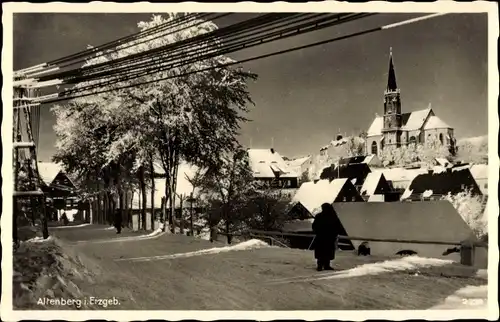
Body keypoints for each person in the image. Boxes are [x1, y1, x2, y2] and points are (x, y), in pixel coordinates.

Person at [312, 203, 341, 271]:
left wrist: (318, 232)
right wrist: (334, 234)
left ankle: (321, 266)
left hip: (321, 237)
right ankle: (326, 265)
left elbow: (314, 226)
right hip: (328, 237)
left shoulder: (319, 216)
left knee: (321, 252)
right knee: (327, 251)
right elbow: (337, 227)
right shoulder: (333, 216)